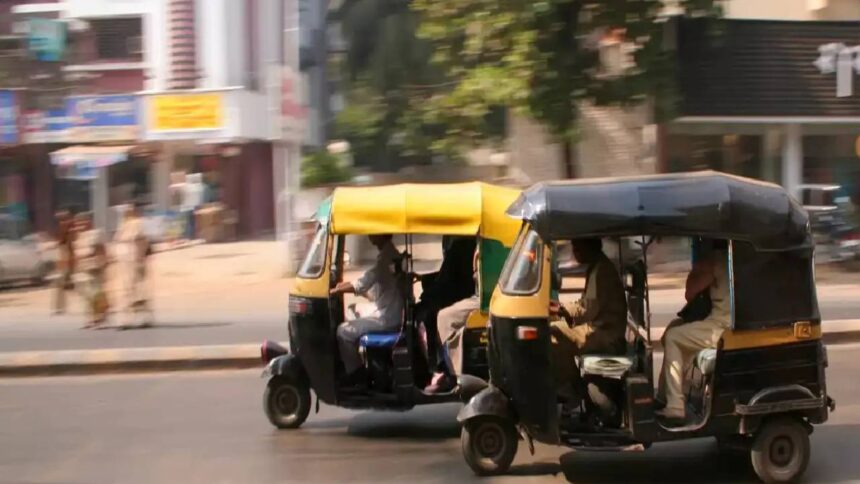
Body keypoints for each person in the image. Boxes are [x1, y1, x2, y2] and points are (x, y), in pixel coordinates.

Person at [655, 239, 730, 425]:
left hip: (722, 326)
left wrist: (699, 267)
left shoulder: (717, 260)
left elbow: (690, 293)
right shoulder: (727, 258)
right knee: (673, 328)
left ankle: (675, 406)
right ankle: (664, 396)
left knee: (673, 337)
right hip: (719, 321)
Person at [549, 238, 628, 397]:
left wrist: (562, 310)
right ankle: (572, 385)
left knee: (551, 335)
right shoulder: (598, 266)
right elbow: (585, 304)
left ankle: (572, 388)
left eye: (577, 248)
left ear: (589, 248)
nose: (574, 253)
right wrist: (561, 309)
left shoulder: (601, 271)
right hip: (599, 327)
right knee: (554, 326)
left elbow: (587, 310)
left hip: (604, 333)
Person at [331, 234, 404, 384]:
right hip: (387, 309)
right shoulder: (390, 254)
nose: (370, 236)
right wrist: (342, 286)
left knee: (343, 331)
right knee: (352, 310)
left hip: (387, 316)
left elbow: (363, 284)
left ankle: (356, 373)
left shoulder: (384, 260)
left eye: (373, 233)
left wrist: (337, 290)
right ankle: (359, 356)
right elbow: (371, 288)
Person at [415, 236, 476, 381]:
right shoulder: (462, 245)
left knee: (427, 315)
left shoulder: (460, 246)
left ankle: (439, 366)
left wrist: (427, 294)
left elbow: (446, 282)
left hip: (457, 295)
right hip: (456, 293)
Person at [425, 244, 481, 393]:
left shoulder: (460, 248)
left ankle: (450, 373)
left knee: (442, 317)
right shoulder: (469, 246)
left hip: (477, 297)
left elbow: (445, 281)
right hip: (465, 293)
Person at [113, 203, 154, 329]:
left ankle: (137, 319)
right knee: (131, 290)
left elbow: (143, 242)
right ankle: (133, 318)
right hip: (126, 261)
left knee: (136, 290)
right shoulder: (123, 225)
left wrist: (140, 257)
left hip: (135, 260)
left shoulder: (138, 224)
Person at [72, 213, 109, 328]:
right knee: (86, 294)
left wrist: (103, 264)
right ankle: (91, 317)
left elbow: (102, 250)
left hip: (94, 268)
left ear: (89, 222)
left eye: (82, 222)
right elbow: (76, 254)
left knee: (95, 293)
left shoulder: (96, 234)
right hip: (82, 268)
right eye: (78, 224)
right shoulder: (79, 236)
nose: (80, 225)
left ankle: (99, 317)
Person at [52, 209, 76, 315]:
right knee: (59, 284)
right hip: (64, 260)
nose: (62, 223)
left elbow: (71, 249)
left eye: (64, 220)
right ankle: (59, 307)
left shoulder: (71, 233)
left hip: (70, 260)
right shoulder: (62, 233)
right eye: (60, 220)